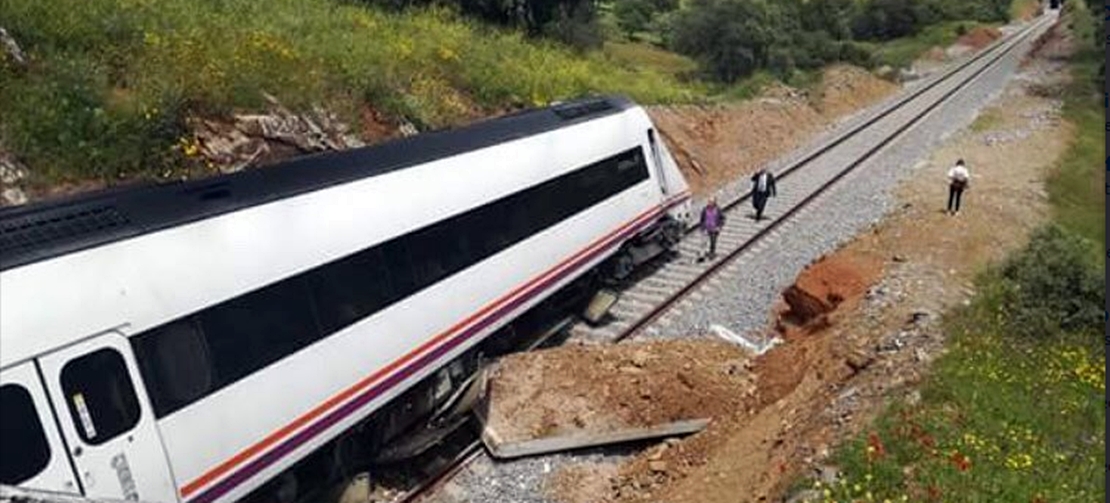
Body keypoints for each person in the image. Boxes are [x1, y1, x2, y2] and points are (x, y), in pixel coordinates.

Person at [699, 197, 724, 261]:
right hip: (706, 228)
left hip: (714, 229)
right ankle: (702, 255)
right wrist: (702, 227)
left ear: (714, 203)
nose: (709, 203)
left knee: (713, 242)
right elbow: (702, 219)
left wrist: (719, 227)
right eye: (709, 202)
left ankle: (712, 253)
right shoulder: (705, 209)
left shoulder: (718, 210)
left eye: (711, 202)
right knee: (703, 242)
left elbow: (722, 219)